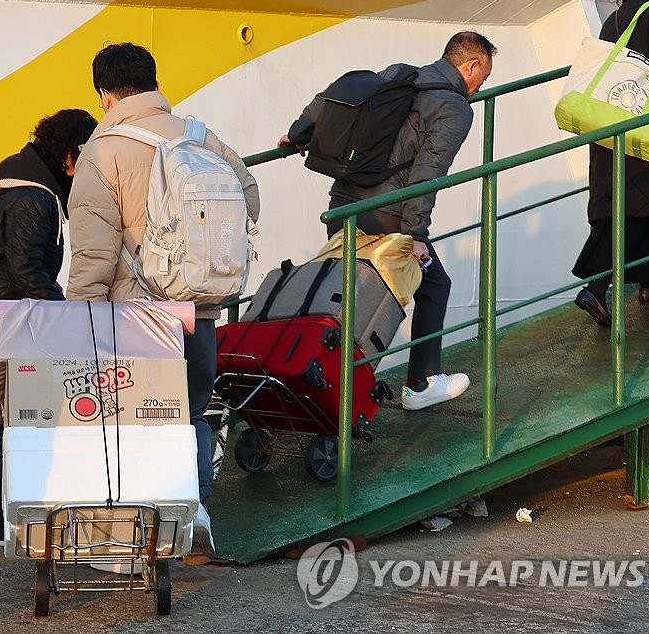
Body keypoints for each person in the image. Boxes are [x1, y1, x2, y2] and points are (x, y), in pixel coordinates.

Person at [65, 43, 260, 563]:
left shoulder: (102, 151)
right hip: (199, 313)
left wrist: (78, 320)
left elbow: (93, 253)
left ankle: (136, 535)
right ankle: (194, 508)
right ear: (154, 84)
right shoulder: (200, 136)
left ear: (105, 95)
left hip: (138, 317)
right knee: (193, 415)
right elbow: (250, 197)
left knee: (134, 423)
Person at [281, 31, 496, 411]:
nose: (480, 89)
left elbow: (334, 97)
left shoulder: (402, 74)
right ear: (471, 65)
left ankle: (305, 374)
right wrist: (415, 236)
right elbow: (429, 173)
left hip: (344, 205)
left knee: (346, 297)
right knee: (433, 285)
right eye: (483, 79)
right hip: (387, 217)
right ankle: (420, 383)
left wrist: (299, 133)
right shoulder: (455, 108)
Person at [0, 108, 97, 547]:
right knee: (15, 421)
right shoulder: (34, 199)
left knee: (3, 416)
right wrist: (67, 317)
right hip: (7, 324)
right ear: (70, 157)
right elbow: (27, 269)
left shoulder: (10, 188)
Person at [572, 0, 649, 326]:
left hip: (613, 125)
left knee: (637, 204)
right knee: (642, 203)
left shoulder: (616, 17)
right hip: (646, 127)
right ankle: (595, 288)